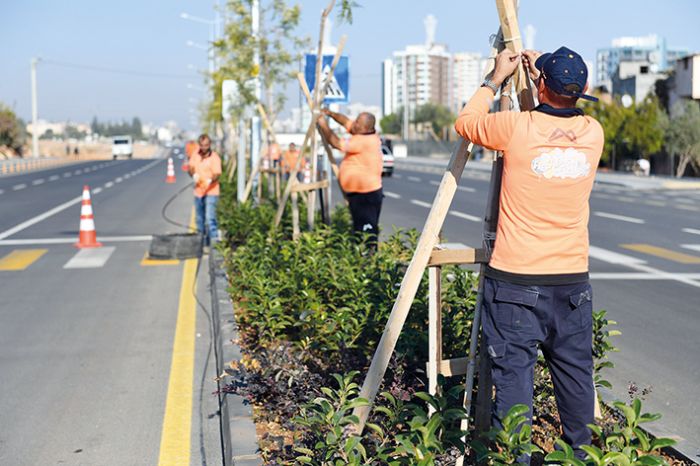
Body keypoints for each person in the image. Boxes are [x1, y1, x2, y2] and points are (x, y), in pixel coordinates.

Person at [454, 46, 603, 462]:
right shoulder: (593, 132)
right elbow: (556, 108)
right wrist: (544, 75)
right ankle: (580, 456)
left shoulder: (515, 128)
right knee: (575, 376)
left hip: (516, 281)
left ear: (541, 86)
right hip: (572, 281)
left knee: (514, 379)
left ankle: (515, 457)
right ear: (583, 90)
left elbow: (465, 123)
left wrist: (493, 80)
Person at [317, 109, 383, 247]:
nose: (354, 124)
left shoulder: (364, 140)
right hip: (359, 193)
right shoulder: (364, 132)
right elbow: (345, 121)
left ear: (365, 127)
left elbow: (335, 143)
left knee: (366, 229)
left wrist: (323, 124)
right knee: (359, 226)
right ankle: (362, 255)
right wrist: (331, 114)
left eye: (357, 122)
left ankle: (368, 257)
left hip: (366, 194)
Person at [188, 134, 222, 248]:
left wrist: (210, 180)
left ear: (210, 145)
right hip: (198, 192)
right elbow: (191, 168)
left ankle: (214, 246)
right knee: (199, 219)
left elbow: (217, 174)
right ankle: (201, 244)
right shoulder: (195, 155)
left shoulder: (214, 157)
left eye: (206, 145)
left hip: (211, 191)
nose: (204, 148)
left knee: (210, 218)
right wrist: (194, 175)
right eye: (202, 145)